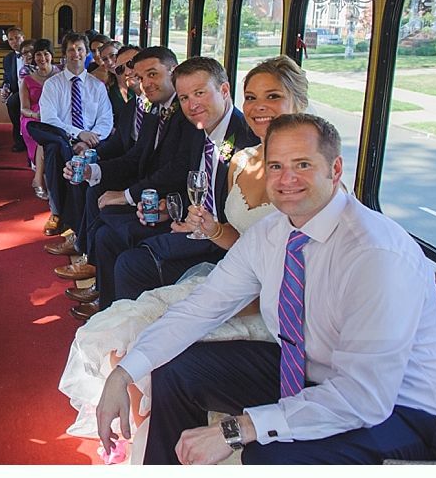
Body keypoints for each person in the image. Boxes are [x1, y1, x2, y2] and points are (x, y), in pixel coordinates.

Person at [96, 114, 436, 465]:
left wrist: (239, 428)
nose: (287, 179)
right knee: (177, 370)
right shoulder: (271, 233)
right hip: (312, 375)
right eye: (276, 166)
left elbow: (366, 397)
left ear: (336, 170)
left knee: (269, 452)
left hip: (406, 409)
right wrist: (124, 372)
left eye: (302, 164)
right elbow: (202, 307)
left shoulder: (375, 255)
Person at [60, 55, 309, 440]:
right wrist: (204, 225)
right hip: (225, 256)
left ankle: (146, 418)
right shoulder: (242, 159)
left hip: (262, 296)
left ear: (223, 92)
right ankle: (138, 419)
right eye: (253, 97)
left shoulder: (300, 180)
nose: (260, 108)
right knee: (120, 332)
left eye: (273, 97)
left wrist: (207, 233)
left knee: (133, 276)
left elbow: (282, 262)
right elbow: (229, 225)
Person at [71, 56, 257, 319]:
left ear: (224, 90)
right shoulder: (201, 130)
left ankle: (129, 334)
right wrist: (171, 209)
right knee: (107, 233)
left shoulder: (247, 141)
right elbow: (193, 184)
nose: (191, 105)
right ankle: (108, 313)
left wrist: (201, 224)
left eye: (200, 93)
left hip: (222, 242)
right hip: (193, 223)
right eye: (184, 98)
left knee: (131, 265)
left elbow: (239, 213)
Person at [51, 46, 186, 307]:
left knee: (106, 225)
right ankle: (104, 298)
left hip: (170, 202)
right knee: (96, 203)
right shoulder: (154, 109)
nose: (144, 82)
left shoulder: (185, 116)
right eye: (139, 75)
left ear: (174, 72)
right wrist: (93, 169)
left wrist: (126, 195)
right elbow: (135, 155)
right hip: (152, 191)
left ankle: (107, 299)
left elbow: (174, 171)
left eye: (152, 74)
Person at [28, 31, 113, 237]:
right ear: (64, 55)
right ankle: (57, 212)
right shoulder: (53, 84)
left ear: (87, 54)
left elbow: (106, 119)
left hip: (92, 141)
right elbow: (50, 119)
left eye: (80, 49)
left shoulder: (97, 86)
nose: (76, 53)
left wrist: (89, 139)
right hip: (62, 137)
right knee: (55, 148)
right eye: (71, 50)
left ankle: (86, 216)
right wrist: (78, 134)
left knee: (102, 152)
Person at [19, 39, 58, 200]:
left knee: (48, 131)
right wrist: (36, 115)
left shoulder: (60, 76)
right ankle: (41, 178)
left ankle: (40, 178)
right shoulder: (27, 80)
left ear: (51, 56)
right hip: (33, 116)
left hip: (55, 115)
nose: (42, 58)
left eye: (46, 54)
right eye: (39, 55)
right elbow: (24, 108)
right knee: (38, 131)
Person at [0, 26, 27, 152]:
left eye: (17, 38)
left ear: (23, 37)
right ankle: (19, 140)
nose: (14, 42)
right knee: (12, 102)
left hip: (35, 91)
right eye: (11, 39)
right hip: (17, 92)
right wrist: (4, 88)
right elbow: (6, 79)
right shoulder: (8, 59)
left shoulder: (34, 54)